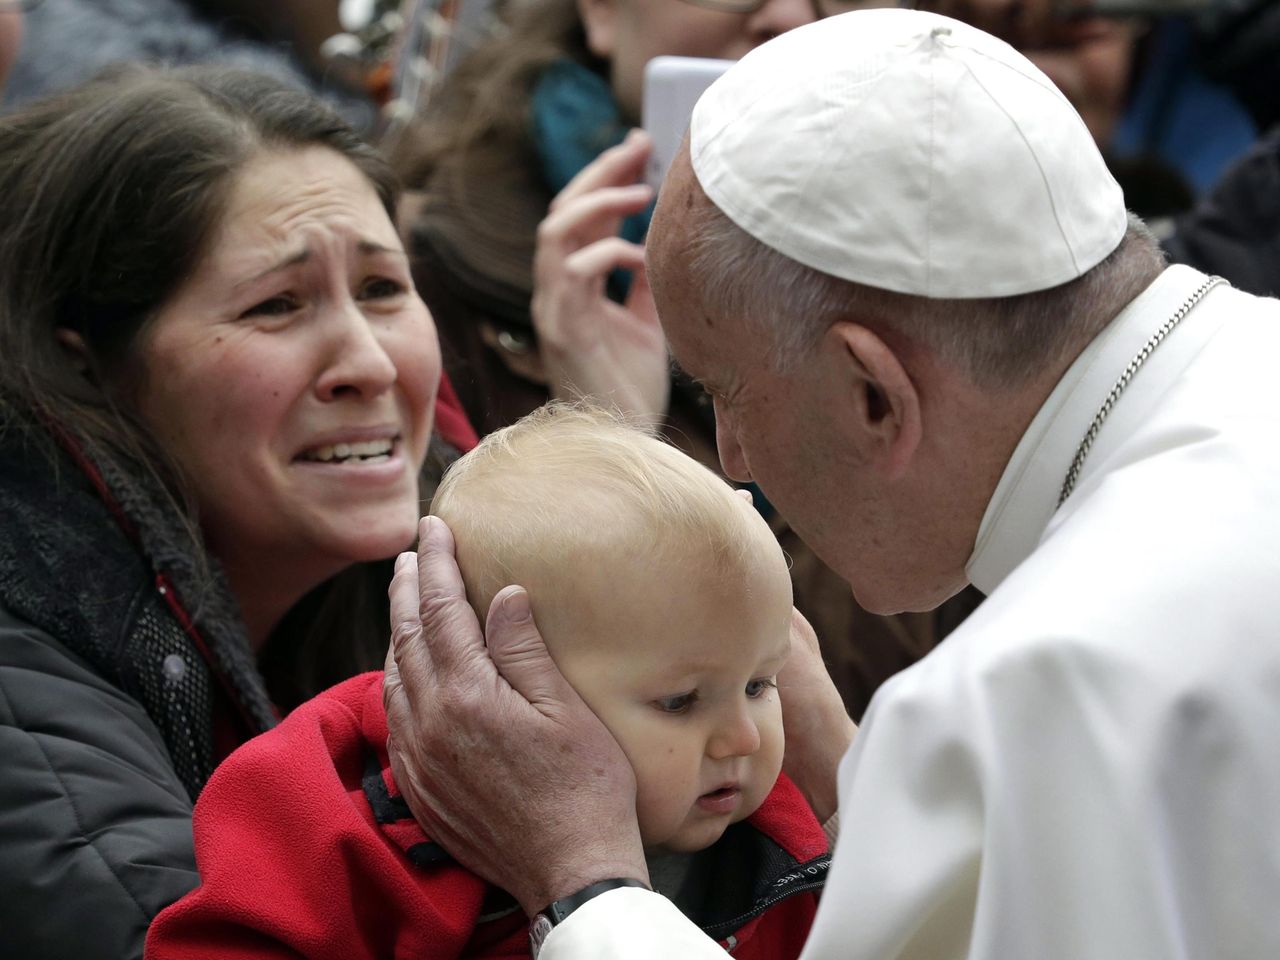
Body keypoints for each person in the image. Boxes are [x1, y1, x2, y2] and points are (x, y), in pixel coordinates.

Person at [381, 8, 1280, 958]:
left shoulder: (1026, 698)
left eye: (726, 394)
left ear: (874, 392)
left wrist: (584, 884)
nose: (730, 458)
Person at [0, 64, 476, 959]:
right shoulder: (23, 670)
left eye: (382, 289)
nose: (369, 364)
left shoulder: (427, 563)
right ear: (88, 365)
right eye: (277, 306)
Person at [399, 0, 980, 720]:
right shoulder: (412, 285)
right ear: (605, 11)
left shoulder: (962, 269)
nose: (790, 17)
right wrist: (604, 443)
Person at [145, 404, 829, 959]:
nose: (741, 737)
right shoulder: (328, 800)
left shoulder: (784, 841)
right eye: (680, 700)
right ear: (494, 681)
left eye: (759, 684)